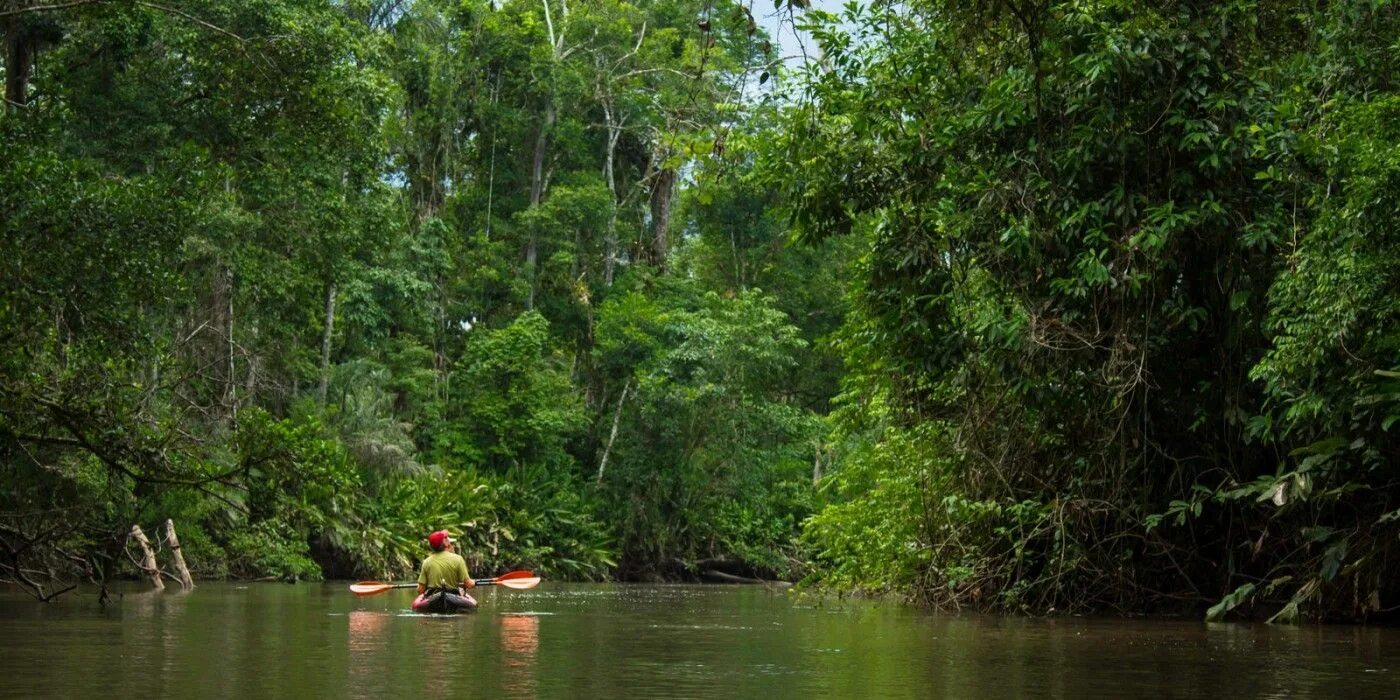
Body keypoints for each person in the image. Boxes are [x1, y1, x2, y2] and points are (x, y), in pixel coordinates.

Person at [413, 530, 477, 613]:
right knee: (473, 606)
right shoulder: (458, 559)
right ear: (445, 543)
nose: (448, 539)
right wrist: (474, 583)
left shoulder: (426, 562)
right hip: (453, 595)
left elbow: (420, 590)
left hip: (432, 596)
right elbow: (469, 584)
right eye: (446, 538)